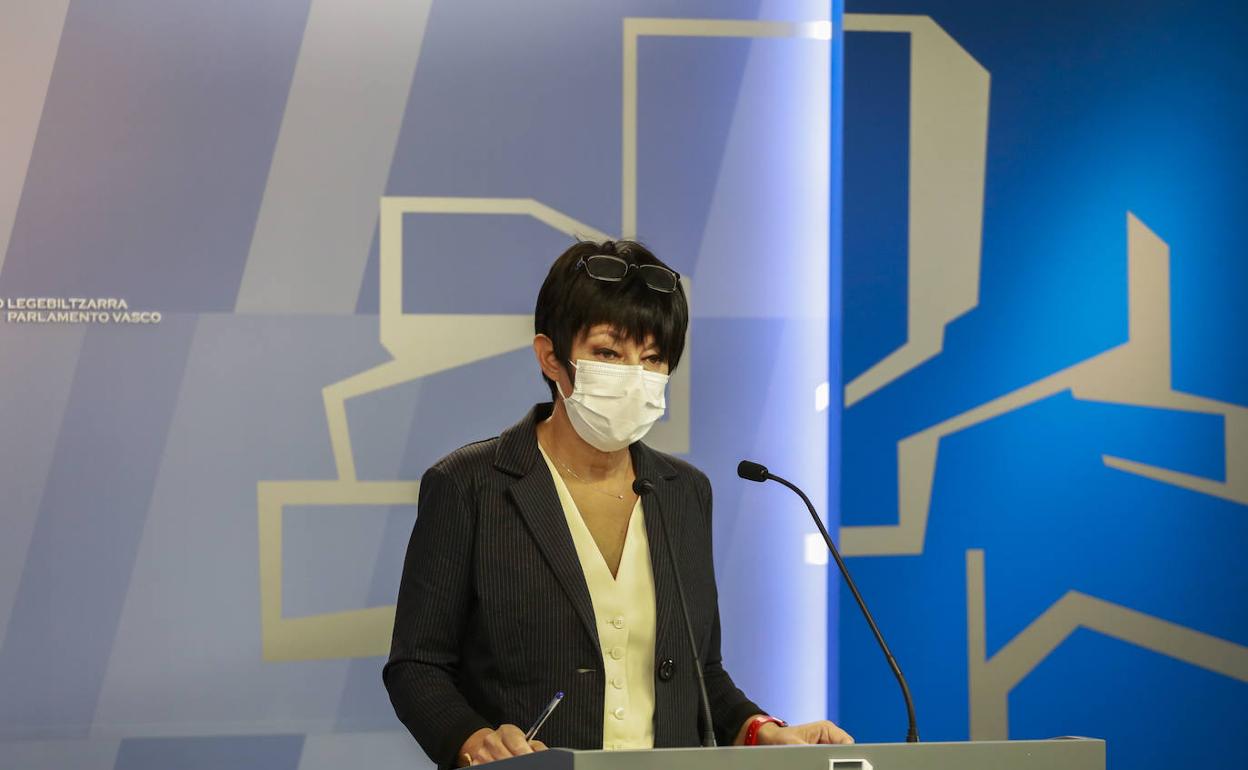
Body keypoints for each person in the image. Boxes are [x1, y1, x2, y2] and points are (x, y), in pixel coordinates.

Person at [383, 240, 853, 768]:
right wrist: (472, 740)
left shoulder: (684, 491)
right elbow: (417, 666)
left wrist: (757, 730)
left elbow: (703, 672)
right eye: (609, 353)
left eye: (652, 358)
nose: (634, 375)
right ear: (550, 356)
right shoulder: (469, 485)